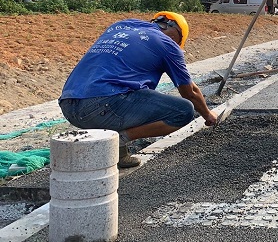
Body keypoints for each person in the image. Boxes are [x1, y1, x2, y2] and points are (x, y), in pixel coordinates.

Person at [58, 12, 217, 168]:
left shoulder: (120, 26)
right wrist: (208, 115)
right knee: (183, 111)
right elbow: (190, 92)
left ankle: (118, 154)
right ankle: (118, 140)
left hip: (69, 106)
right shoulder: (168, 45)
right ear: (177, 35)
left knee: (129, 90)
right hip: (101, 106)